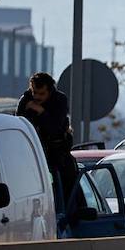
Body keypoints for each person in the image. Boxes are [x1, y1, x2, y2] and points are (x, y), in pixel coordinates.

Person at [15, 72, 78, 207]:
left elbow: (55, 128)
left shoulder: (59, 100)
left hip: (57, 153)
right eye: (34, 93)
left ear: (50, 91)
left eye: (41, 94)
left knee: (68, 185)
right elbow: (19, 126)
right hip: (32, 153)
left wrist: (40, 111)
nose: (36, 97)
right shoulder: (26, 99)